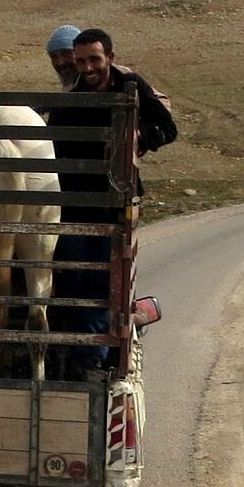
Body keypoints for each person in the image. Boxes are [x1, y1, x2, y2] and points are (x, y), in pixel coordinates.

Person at [46, 28, 177, 380]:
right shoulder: (72, 96)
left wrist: (140, 136)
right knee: (73, 277)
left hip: (113, 204)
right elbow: (53, 141)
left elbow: (167, 127)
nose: (87, 67)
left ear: (110, 58)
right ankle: (79, 354)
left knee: (105, 280)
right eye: (81, 60)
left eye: (94, 59)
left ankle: (92, 357)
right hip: (74, 202)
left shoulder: (131, 86)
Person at [46, 24, 172, 112]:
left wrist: (136, 131)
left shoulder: (120, 76)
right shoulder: (72, 86)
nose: (60, 62)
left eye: (66, 54)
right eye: (54, 56)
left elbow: (162, 103)